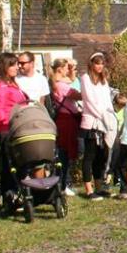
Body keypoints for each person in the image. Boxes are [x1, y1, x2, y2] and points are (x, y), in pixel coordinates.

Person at [0, 53, 28, 199]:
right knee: (9, 164)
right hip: (7, 130)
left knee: (18, 163)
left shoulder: (12, 84)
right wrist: (12, 122)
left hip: (17, 127)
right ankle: (9, 195)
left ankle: (19, 192)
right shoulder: (0, 87)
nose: (17, 67)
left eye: (17, 64)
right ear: (4, 67)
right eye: (13, 65)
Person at [79, 52, 114, 200]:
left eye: (102, 63)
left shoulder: (103, 80)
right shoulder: (85, 78)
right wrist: (101, 116)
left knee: (101, 156)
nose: (100, 66)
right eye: (97, 63)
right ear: (91, 64)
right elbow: (89, 101)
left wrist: (110, 116)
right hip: (92, 122)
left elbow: (107, 100)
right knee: (90, 156)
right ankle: (89, 189)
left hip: (104, 122)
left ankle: (99, 187)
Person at [50, 58, 80, 197]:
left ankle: (63, 183)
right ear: (60, 69)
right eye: (67, 68)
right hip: (67, 120)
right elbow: (78, 95)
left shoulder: (55, 83)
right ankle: (64, 183)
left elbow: (71, 79)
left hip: (63, 120)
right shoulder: (62, 86)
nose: (69, 70)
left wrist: (72, 70)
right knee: (65, 153)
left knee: (63, 152)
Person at [107, 92, 127, 192]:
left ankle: (117, 179)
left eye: (123, 105)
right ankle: (108, 178)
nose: (122, 107)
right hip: (112, 136)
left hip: (122, 136)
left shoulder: (125, 110)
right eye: (120, 105)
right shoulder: (111, 110)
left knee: (120, 159)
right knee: (112, 158)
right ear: (115, 103)